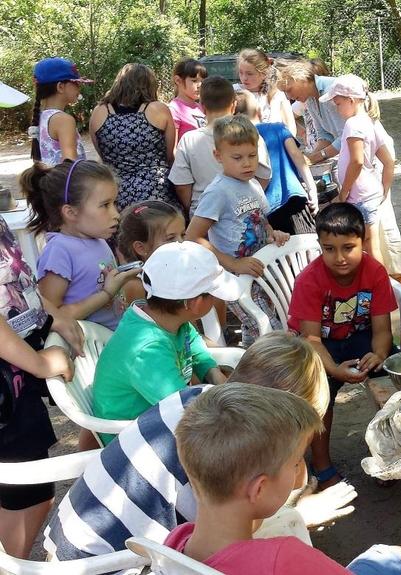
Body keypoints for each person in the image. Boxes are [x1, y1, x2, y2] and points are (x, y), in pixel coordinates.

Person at [44, 332, 359, 560]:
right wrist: (296, 516)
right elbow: (223, 551)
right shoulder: (220, 454)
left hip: (74, 535)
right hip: (106, 563)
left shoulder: (201, 402)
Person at [166, 383, 401, 575]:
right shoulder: (283, 558)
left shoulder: (177, 543)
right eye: (295, 463)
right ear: (260, 488)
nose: (300, 474)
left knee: (392, 555)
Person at [288, 203, 397, 490]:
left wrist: (380, 354)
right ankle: (322, 466)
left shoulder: (374, 272)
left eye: (348, 247)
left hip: (360, 336)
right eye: (329, 249)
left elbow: (382, 330)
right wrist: (335, 370)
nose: (339, 257)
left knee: (393, 378)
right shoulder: (309, 280)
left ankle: (391, 451)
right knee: (317, 391)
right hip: (319, 344)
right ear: (320, 246)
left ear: (363, 242)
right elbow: (311, 340)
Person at [90, 241, 235, 444]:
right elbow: (185, 407)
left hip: (160, 416)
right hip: (136, 440)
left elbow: (193, 343)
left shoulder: (165, 318)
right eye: (213, 295)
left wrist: (215, 374)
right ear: (194, 303)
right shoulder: (148, 350)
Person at [0, 213, 83, 559]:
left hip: (17, 376)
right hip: (10, 382)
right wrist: (39, 363)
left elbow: (18, 284)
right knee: (27, 491)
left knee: (29, 491)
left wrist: (53, 315)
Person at [184, 115, 289, 345]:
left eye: (252, 156)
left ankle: (253, 369)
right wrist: (233, 264)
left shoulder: (252, 184)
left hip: (260, 271)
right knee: (267, 327)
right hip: (233, 276)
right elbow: (192, 237)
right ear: (218, 156)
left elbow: (261, 220)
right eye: (237, 157)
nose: (247, 163)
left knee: (260, 326)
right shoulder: (218, 192)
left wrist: (273, 233)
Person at [24, 160, 140, 332]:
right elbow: (53, 316)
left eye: (114, 203)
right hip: (92, 349)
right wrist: (106, 294)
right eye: (105, 205)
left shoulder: (98, 239)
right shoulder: (59, 251)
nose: (116, 214)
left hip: (117, 337)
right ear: (71, 212)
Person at [169, 76, 272, 217]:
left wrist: (191, 208)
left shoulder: (189, 140)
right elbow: (264, 174)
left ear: (202, 107)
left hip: (204, 213)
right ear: (234, 105)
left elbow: (182, 185)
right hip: (245, 211)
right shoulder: (249, 134)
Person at [321, 75, 394, 265]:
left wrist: (344, 191)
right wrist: (384, 188)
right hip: (368, 194)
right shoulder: (369, 122)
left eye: (338, 104)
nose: (336, 109)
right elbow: (389, 160)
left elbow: (357, 161)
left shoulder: (353, 124)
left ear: (351, 100)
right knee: (369, 246)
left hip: (358, 196)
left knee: (366, 248)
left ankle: (378, 288)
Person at [89, 63, 177, 210]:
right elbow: (170, 156)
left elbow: (102, 154)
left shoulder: (99, 112)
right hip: (156, 192)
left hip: (116, 194)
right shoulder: (159, 110)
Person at [236, 91, 318, 235]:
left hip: (267, 208)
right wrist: (311, 188)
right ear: (259, 111)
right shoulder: (277, 128)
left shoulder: (237, 140)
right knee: (308, 247)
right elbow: (297, 155)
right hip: (293, 198)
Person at [363, 82, 401, 286]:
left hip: (376, 188)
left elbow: (388, 161)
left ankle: (395, 276)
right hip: (373, 187)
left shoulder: (370, 129)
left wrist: (383, 190)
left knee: (384, 230)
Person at [115, 199, 187, 311]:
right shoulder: (136, 285)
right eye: (171, 238)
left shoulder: (179, 271)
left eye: (183, 235)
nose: (181, 242)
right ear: (141, 248)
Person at [277, 60, 349, 165]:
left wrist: (315, 158)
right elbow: (325, 136)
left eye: (289, 89)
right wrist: (308, 159)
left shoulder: (332, 91)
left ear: (301, 78)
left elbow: (346, 137)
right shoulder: (310, 99)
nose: (288, 97)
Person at [28, 57, 91, 167]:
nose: (79, 88)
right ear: (60, 87)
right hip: (68, 183)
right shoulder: (63, 120)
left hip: (53, 182)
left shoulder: (42, 116)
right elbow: (70, 165)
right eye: (76, 83)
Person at [238, 48, 296, 135]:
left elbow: (290, 126)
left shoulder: (277, 94)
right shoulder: (234, 92)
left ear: (264, 74)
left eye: (249, 74)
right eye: (241, 73)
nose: (244, 78)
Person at [168, 58, 207, 142]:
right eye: (194, 81)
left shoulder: (200, 107)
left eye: (202, 81)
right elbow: (173, 150)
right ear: (178, 80)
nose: (200, 85)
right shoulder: (174, 109)